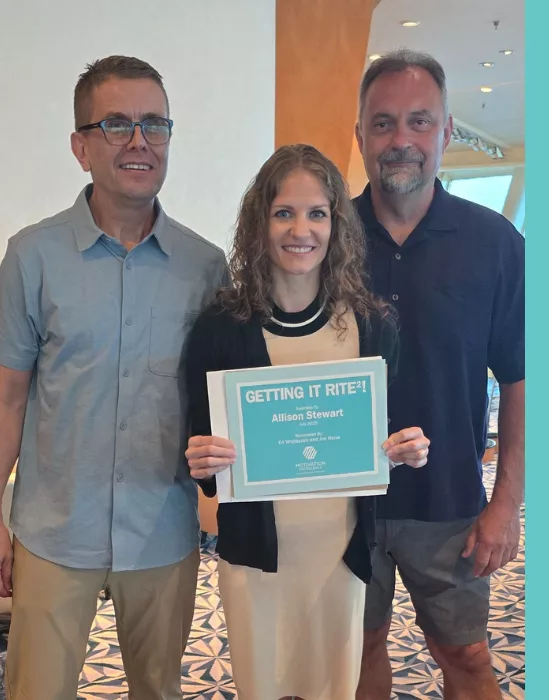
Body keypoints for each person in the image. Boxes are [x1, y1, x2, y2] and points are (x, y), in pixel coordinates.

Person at [0, 56, 227, 699]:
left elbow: (217, 403)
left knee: (159, 690)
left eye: (154, 124)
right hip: (53, 532)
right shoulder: (31, 256)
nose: (139, 142)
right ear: (81, 147)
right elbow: (8, 398)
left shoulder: (205, 267)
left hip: (162, 532)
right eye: (117, 124)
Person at [181, 143, 432, 699]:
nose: (301, 230)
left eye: (317, 213)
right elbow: (200, 453)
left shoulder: (372, 326)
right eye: (284, 213)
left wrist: (407, 449)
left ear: (336, 224)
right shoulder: (220, 328)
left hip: (337, 556)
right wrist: (201, 460)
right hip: (255, 559)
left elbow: (388, 435)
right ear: (260, 223)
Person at [352, 50, 526, 700]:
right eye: (383, 123)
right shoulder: (327, 238)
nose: (401, 139)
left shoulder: (495, 243)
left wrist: (505, 504)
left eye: (419, 121)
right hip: (345, 500)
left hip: (449, 502)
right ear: (360, 134)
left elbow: (522, 377)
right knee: (359, 648)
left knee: (467, 656)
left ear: (446, 131)